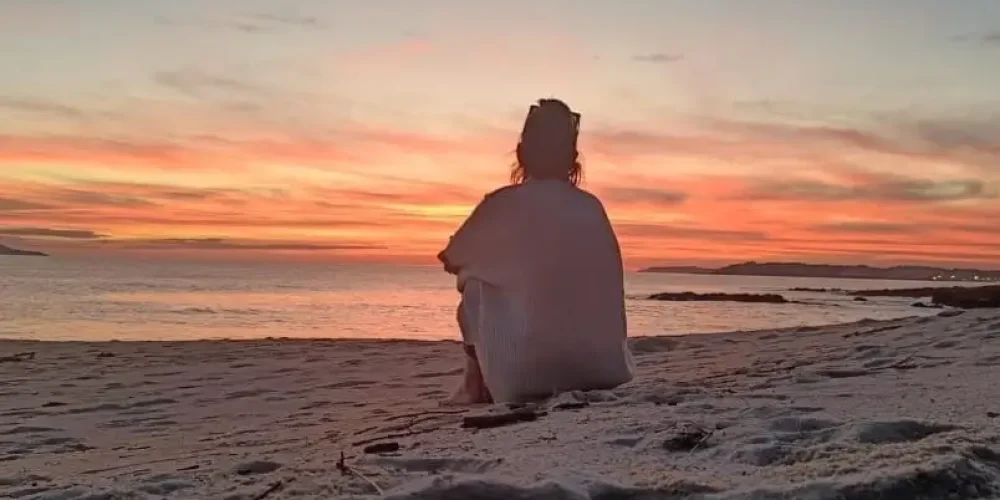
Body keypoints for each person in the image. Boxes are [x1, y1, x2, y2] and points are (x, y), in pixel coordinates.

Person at [438, 98, 635, 404]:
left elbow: (451, 259)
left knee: (471, 280)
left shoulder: (501, 203)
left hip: (525, 380)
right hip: (606, 370)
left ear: (520, 153)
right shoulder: (592, 207)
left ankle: (472, 384)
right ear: (573, 159)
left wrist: (488, 259)